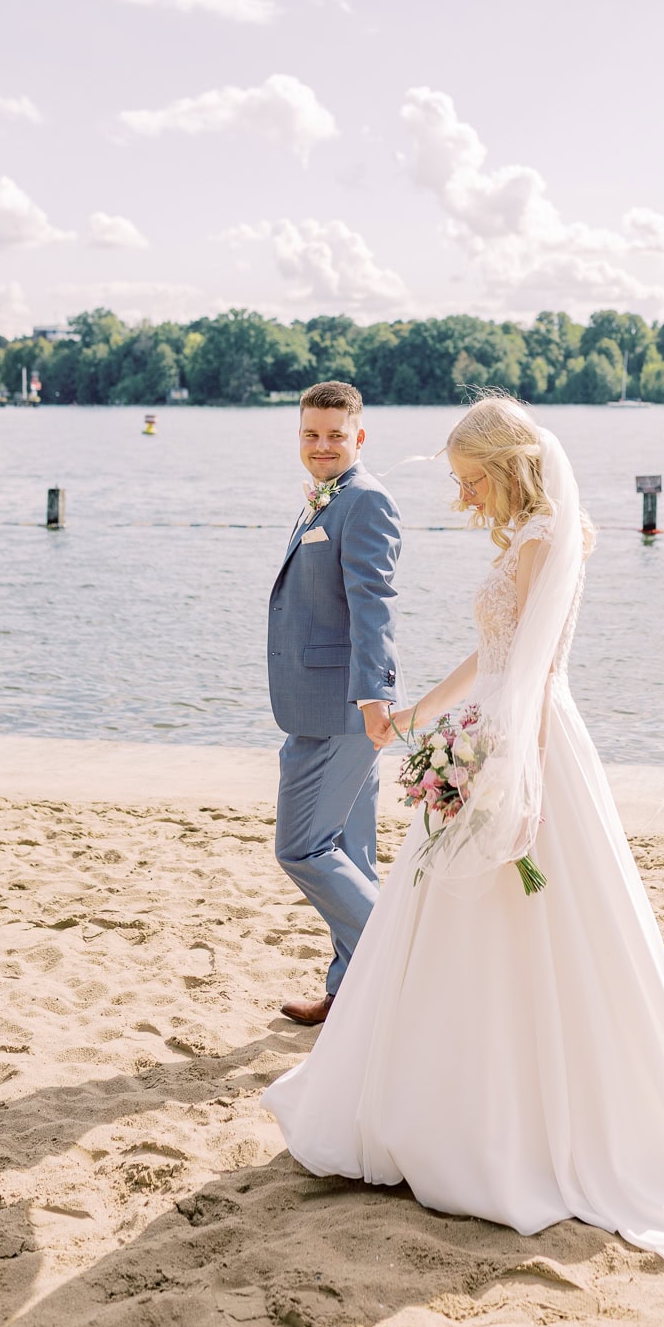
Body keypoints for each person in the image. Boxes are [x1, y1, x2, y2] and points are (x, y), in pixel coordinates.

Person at [262, 395, 664, 1262]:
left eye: (471, 482)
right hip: (497, 728)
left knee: (523, 925)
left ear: (506, 470)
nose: (465, 500)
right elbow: (501, 651)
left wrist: (514, 776)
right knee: (452, 925)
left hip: (528, 743)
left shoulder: (544, 540)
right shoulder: (531, 538)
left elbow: (533, 680)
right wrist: (431, 706)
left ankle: (501, 1126)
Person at [267, 380, 402, 1027]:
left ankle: (404, 962)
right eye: (310, 434)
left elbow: (375, 604)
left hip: (345, 709)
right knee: (351, 852)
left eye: (335, 435)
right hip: (312, 704)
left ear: (360, 437)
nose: (322, 446)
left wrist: (376, 694)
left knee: (302, 848)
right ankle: (351, 995)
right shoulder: (326, 498)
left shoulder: (367, 500)